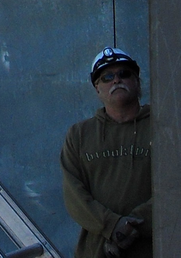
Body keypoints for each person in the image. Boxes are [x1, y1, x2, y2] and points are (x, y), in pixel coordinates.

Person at [61, 47, 153, 257]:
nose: (116, 80)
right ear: (97, 89)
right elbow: (74, 195)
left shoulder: (163, 127)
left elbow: (176, 189)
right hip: (96, 252)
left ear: (137, 82)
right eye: (107, 77)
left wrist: (129, 229)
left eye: (124, 74)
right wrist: (112, 227)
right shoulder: (79, 135)